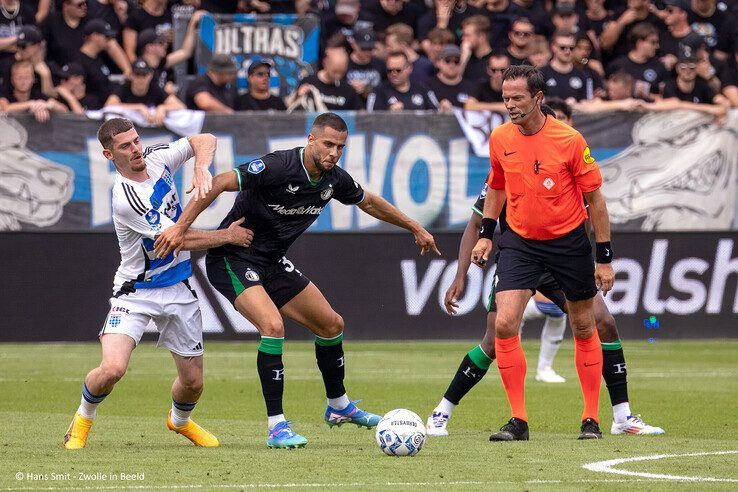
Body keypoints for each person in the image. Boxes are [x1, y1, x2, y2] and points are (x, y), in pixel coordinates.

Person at [153, 112, 441, 449]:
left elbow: (371, 202)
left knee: (331, 324)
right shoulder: (278, 167)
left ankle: (339, 407)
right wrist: (181, 227)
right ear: (311, 140)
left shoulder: (334, 179)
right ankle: (277, 427)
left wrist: (415, 227)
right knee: (273, 327)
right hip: (234, 257)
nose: (334, 153)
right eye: (328, 144)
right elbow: (217, 183)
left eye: (340, 147)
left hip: (272, 263)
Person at [427, 99, 664, 436]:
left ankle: (621, 417)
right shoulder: (511, 153)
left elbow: (592, 210)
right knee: (495, 338)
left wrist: (599, 259)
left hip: (563, 260)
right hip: (520, 255)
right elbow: (477, 220)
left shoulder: (570, 154)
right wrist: (461, 273)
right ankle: (444, 410)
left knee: (603, 322)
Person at [63, 118, 254, 449]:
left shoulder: (155, 156)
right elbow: (176, 238)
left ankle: (179, 422)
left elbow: (203, 138)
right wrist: (228, 236)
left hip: (178, 287)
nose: (136, 149)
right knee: (112, 369)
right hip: (136, 291)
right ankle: (82, 420)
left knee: (193, 383)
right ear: (110, 155)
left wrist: (201, 170)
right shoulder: (127, 198)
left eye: (136, 140)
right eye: (126, 146)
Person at [473, 64, 612, 441]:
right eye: (505, 98)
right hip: (519, 242)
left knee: (583, 325)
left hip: (568, 243)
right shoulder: (500, 137)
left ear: (538, 98)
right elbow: (497, 186)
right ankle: (518, 420)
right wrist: (486, 235)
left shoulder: (569, 140)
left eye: (517, 98)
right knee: (504, 323)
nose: (510, 105)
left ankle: (590, 419)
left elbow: (595, 201)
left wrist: (604, 257)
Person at [104, 58, 185, 126]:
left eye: (144, 75)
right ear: (131, 75)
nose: (140, 79)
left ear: (150, 75)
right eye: (137, 74)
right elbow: (109, 105)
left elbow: (180, 105)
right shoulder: (124, 87)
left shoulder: (154, 88)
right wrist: (139, 107)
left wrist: (162, 108)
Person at [366, 50, 434, 111]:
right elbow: (370, 118)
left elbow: (437, 114)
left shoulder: (423, 89)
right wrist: (388, 113)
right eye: (389, 70)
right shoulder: (378, 92)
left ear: (409, 69)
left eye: (398, 70)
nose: (393, 74)